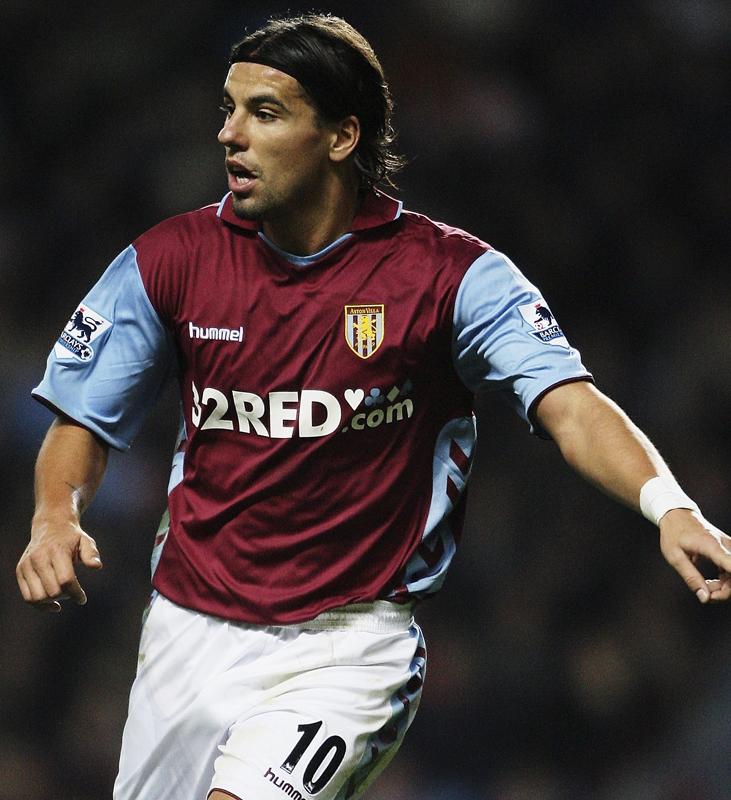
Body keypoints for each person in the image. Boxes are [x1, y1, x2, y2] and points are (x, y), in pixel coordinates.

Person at [16, 12, 731, 800]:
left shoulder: (451, 277)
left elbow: (568, 404)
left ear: (341, 135)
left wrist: (668, 505)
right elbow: (84, 417)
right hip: (187, 632)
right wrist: (54, 515)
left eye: (264, 113)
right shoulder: (169, 260)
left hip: (347, 649)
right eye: (228, 109)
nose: (230, 134)